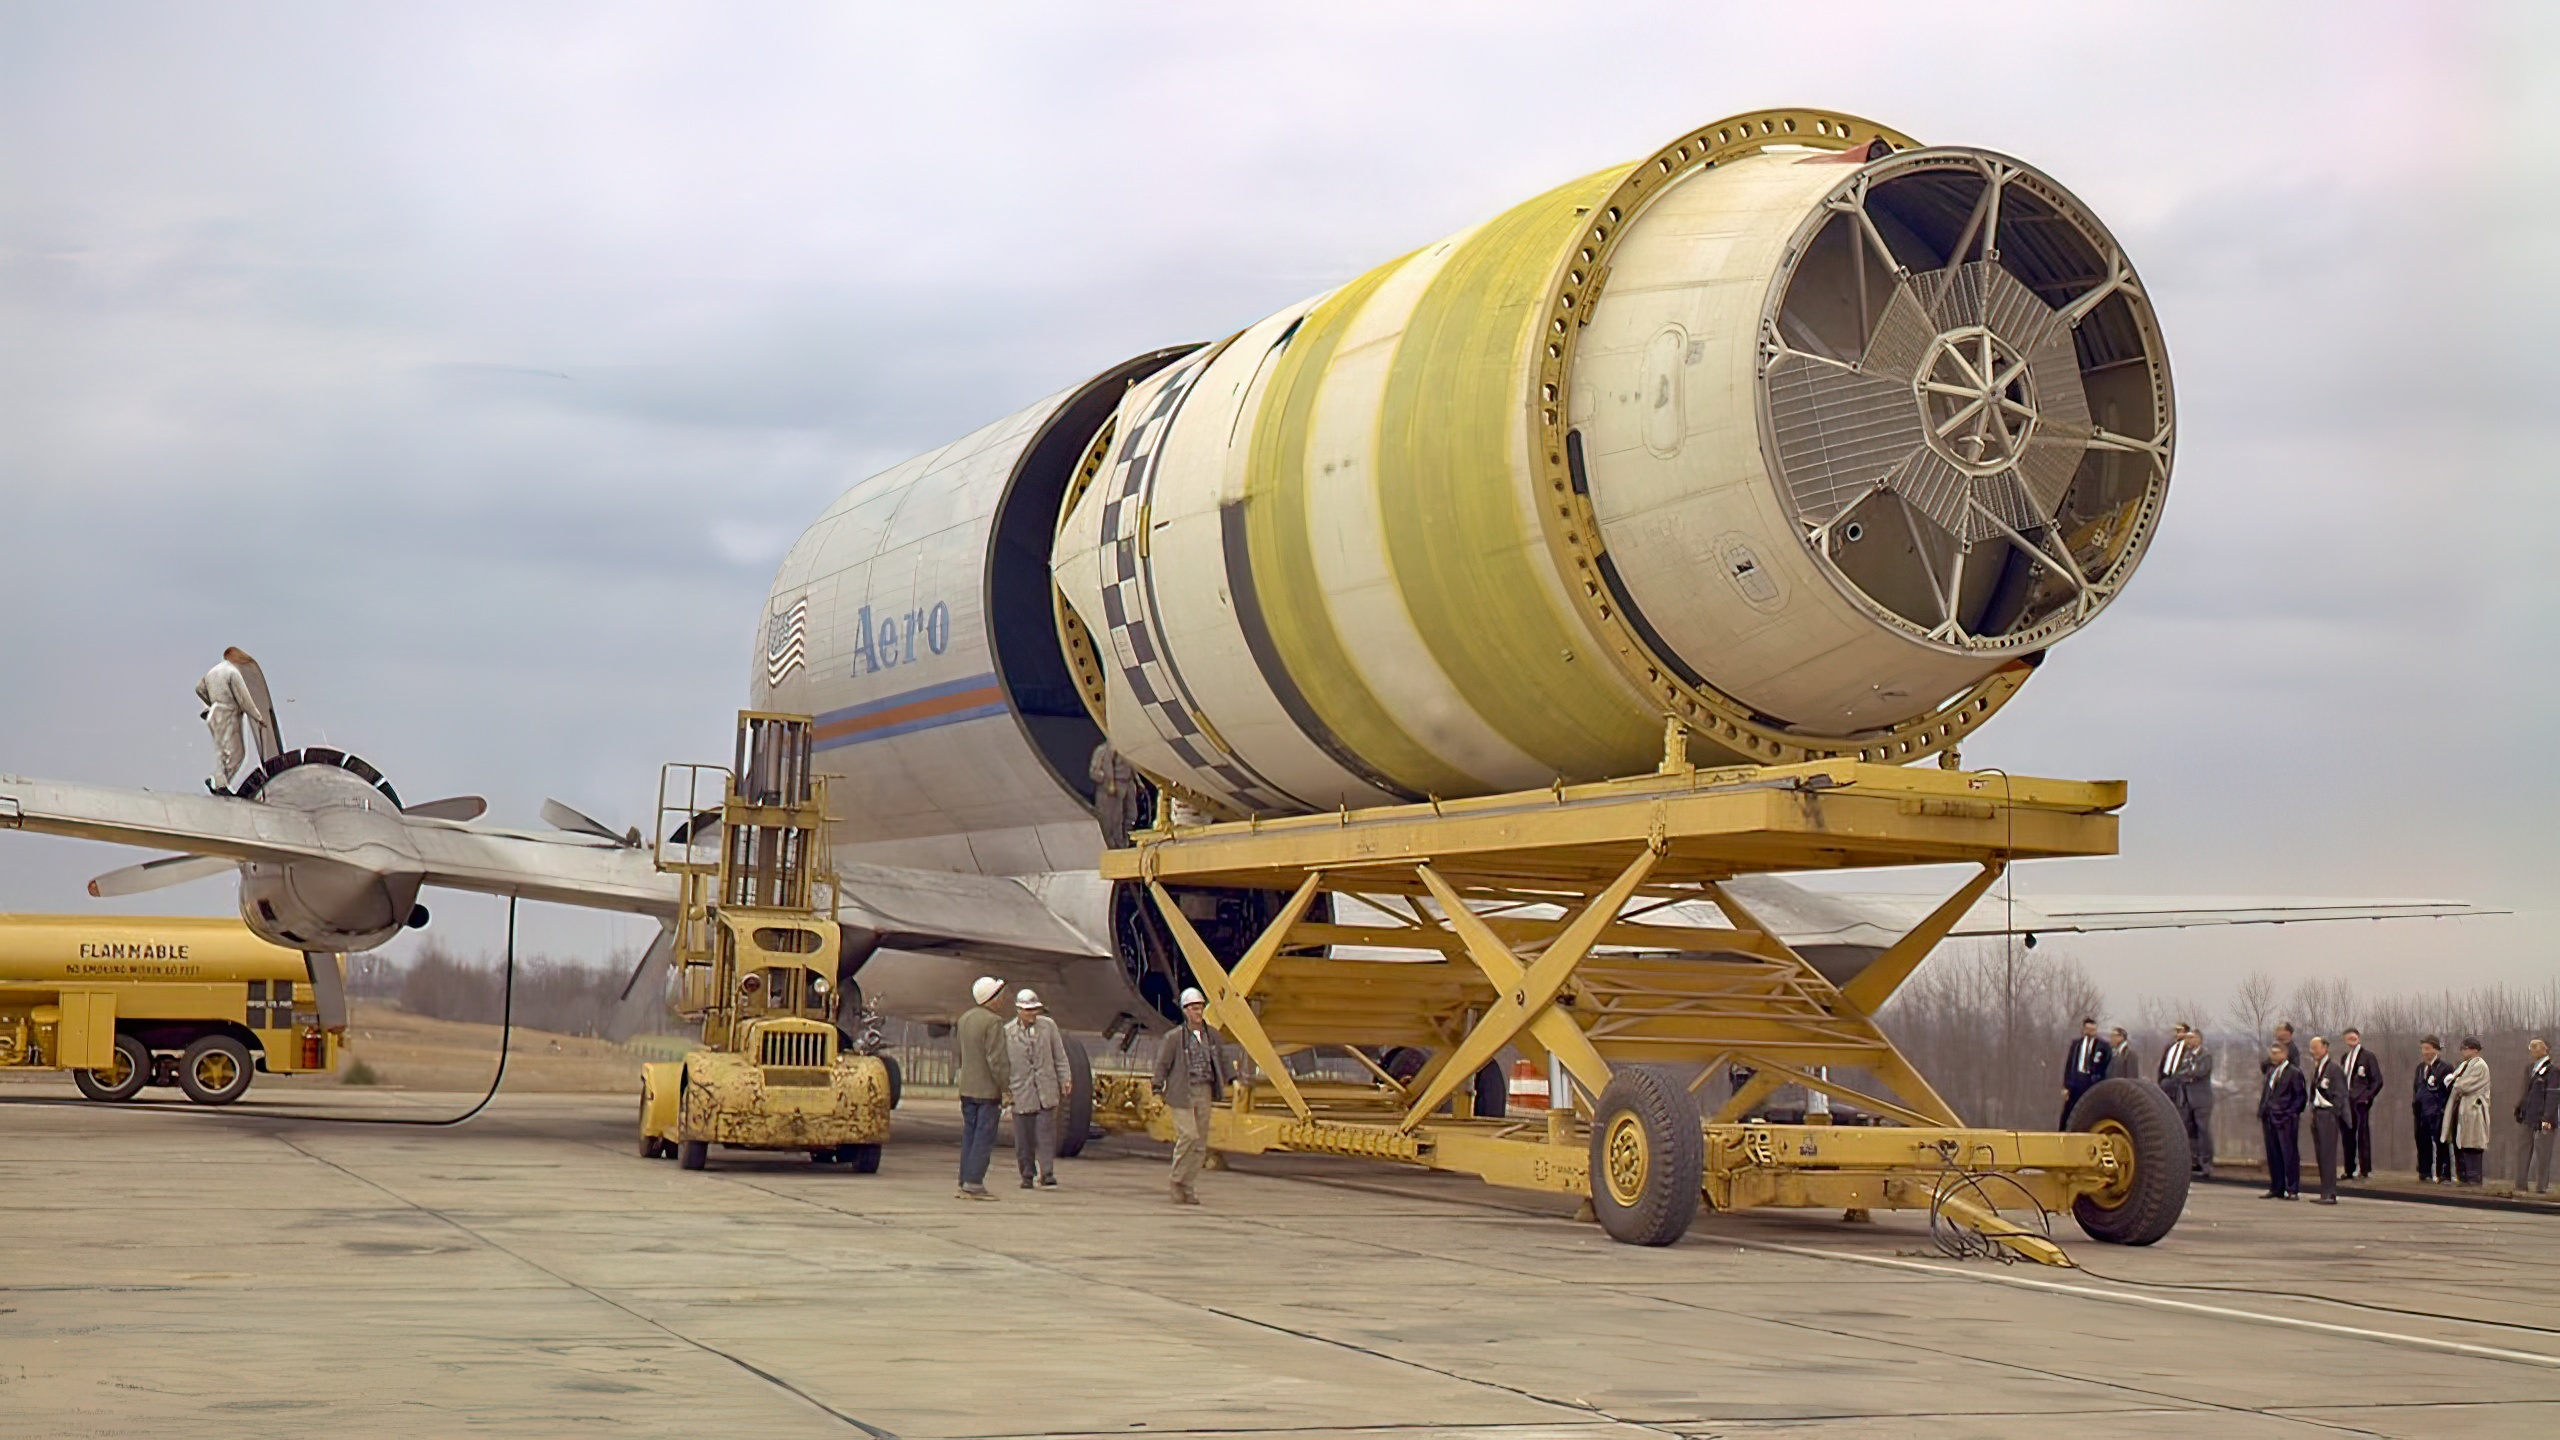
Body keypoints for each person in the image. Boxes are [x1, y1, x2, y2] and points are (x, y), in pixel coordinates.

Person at [1152, 986, 1230, 1205]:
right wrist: (1157, 1090)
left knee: (1200, 1143)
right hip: (1181, 1091)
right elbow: (1163, 1065)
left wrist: (1232, 1079)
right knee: (1188, 1136)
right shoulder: (1174, 1038)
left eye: (1200, 1007)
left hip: (1204, 1090)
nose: (1198, 1012)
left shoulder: (1212, 1035)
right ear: (1185, 1011)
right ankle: (1176, 1181)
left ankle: (1188, 1185)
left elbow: (1223, 1059)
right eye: (1193, 1008)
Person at [1003, 988, 1074, 1189]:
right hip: (1021, 1091)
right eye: (1028, 1010)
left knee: (1045, 1132)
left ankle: (1047, 1172)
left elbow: (1059, 1056)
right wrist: (1005, 1091)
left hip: (1046, 1089)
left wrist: (1065, 1078)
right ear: (1018, 1010)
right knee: (1024, 1138)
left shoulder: (1048, 1027)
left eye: (1035, 1009)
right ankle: (1026, 1173)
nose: (1032, 1014)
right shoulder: (1008, 1032)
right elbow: (1004, 1065)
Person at [953, 976, 1010, 1201]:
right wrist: (1006, 1089)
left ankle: (964, 1180)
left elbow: (960, 1055)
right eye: (1000, 995)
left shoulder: (964, 1019)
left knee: (969, 1135)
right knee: (983, 1137)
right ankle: (974, 1183)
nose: (1003, 999)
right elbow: (997, 1060)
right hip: (987, 1091)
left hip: (967, 1088)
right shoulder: (993, 1022)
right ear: (991, 998)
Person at [194, 647, 276, 793]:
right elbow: (243, 699)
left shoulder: (212, 672)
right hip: (229, 713)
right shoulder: (232, 672)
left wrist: (211, 704)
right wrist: (258, 717)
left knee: (222, 750)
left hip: (215, 713)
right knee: (238, 754)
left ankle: (219, 781)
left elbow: (199, 689)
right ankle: (221, 784)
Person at [2158, 1023, 2215, 1178]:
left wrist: (2186, 1075)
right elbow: (2180, 1073)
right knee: (2188, 1130)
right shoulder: (2187, 1056)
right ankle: (2193, 1160)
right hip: (2185, 1098)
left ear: (2199, 1039)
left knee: (2202, 1130)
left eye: (2191, 1038)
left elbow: (2197, 1073)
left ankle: (2206, 1163)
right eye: (2187, 1038)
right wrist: (2185, 1076)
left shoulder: (2205, 1055)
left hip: (2201, 1100)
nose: (2188, 1041)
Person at [2258, 1041, 2305, 1200]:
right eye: (2272, 1053)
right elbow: (2267, 1094)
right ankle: (2276, 1187)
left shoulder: (2294, 1073)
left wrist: (2289, 1113)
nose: (2273, 1056)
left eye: (2277, 1053)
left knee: (2289, 1154)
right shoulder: (2271, 1071)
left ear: (2285, 1054)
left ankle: (2292, 1188)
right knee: (2273, 1154)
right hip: (2270, 1117)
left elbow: (2300, 1098)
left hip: (2285, 1119)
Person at [2444, 1037, 2493, 1187]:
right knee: (2461, 1143)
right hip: (2462, 1109)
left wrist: (2453, 1082)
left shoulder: (2480, 1066)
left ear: (2474, 1050)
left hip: (2474, 1109)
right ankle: (2463, 1176)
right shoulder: (2464, 1065)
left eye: (2466, 1048)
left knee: (2473, 1143)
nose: (2463, 1051)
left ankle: (2474, 1177)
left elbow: (2463, 1084)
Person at [2339, 1027, 2383, 1181]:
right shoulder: (2345, 1057)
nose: (2351, 1039)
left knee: (2362, 1134)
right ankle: (2349, 1169)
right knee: (2347, 1135)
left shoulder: (2367, 1056)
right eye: (2348, 1037)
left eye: (2354, 1036)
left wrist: (2367, 1096)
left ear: (2358, 1038)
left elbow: (2377, 1080)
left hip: (2360, 1100)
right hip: (2346, 1101)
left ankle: (2365, 1169)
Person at [2304, 1035, 2344, 1204]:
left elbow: (2341, 1094)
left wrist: (2334, 1111)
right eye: (2312, 1048)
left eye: (2316, 1047)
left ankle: (2330, 1192)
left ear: (2325, 1048)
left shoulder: (2333, 1069)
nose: (2314, 1051)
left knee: (2328, 1153)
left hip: (2328, 1115)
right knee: (2321, 1153)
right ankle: (2324, 1190)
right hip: (2318, 1114)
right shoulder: (2318, 1068)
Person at [2515, 1038, 2555, 1194]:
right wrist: (2519, 1108)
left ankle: (2541, 1186)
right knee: (2523, 1150)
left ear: (2545, 1049)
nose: (2532, 1049)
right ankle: (2520, 1184)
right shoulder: (2530, 1068)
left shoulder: (2552, 1070)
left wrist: (2548, 1118)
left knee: (2543, 1153)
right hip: (2527, 1115)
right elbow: (2525, 1091)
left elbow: (2552, 1096)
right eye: (2531, 1046)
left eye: (2536, 1046)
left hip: (2543, 1118)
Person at [2412, 1036, 2454, 1182]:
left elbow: (2447, 1090)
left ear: (2436, 1049)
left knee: (2441, 1142)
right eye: (2423, 1049)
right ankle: (2424, 1172)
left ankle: (2443, 1173)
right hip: (2421, 1112)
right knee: (2422, 1142)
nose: (2424, 1052)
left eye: (2427, 1049)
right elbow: (2416, 1088)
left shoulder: (2444, 1068)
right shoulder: (2420, 1068)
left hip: (2436, 1111)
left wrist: (2441, 1108)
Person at [1089, 743, 1147, 850]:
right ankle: (1116, 844)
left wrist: (1139, 784)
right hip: (1113, 788)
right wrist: (1107, 781)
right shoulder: (1102, 750)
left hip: (1128, 784)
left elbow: (1132, 768)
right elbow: (1094, 772)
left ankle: (1126, 841)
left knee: (1131, 814)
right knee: (1114, 819)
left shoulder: (1128, 749)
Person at [2060, 1017, 2112, 1129]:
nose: (2090, 1032)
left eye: (2093, 1030)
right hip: (2075, 1081)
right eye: (2088, 1029)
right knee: (2069, 1110)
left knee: (2088, 1108)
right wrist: (2066, 1085)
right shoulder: (2076, 1045)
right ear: (2083, 1029)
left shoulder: (2103, 1046)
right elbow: (2069, 1065)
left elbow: (2105, 1067)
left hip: (2091, 1081)